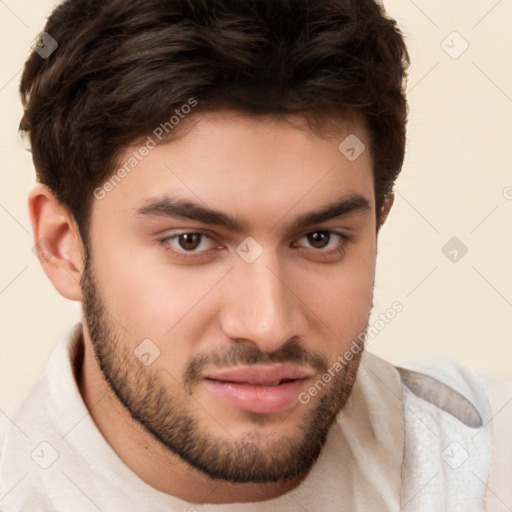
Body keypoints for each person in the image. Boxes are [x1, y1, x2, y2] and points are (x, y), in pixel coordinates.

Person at [1, 0, 511, 510]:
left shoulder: (485, 461)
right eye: (191, 241)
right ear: (62, 245)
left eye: (319, 238)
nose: (268, 325)